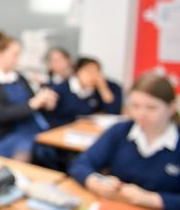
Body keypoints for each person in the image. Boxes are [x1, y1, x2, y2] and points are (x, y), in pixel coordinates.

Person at [69, 73, 179, 209]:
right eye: (135, 106)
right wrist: (96, 182)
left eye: (151, 108)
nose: (141, 114)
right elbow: (81, 163)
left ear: (171, 107)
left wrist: (150, 199)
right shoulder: (121, 131)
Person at [0, 31, 58, 161]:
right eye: (15, 54)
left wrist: (46, 103)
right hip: (0, 136)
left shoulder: (20, 78)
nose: (18, 59)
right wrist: (34, 103)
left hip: (29, 131)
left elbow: (32, 103)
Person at [48, 57, 122, 128]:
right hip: (63, 131)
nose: (93, 76)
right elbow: (53, 118)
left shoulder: (96, 90)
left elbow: (114, 112)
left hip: (86, 130)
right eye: (89, 71)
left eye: (97, 72)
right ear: (77, 72)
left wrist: (103, 88)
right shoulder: (61, 89)